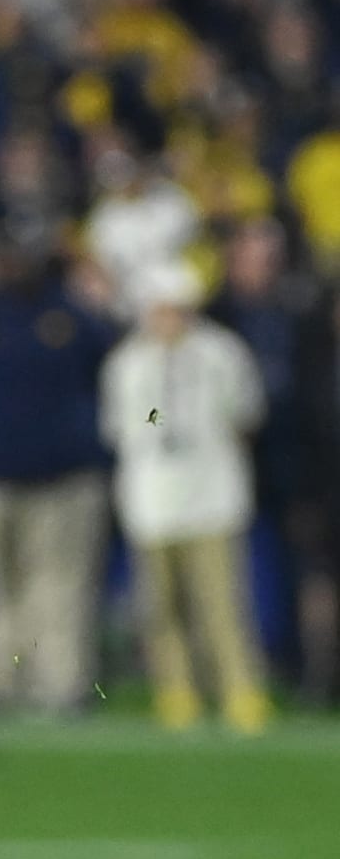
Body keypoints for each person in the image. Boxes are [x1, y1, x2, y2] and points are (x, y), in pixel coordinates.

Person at [0, 243, 114, 711]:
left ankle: (60, 685)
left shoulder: (73, 315)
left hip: (64, 479)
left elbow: (108, 373)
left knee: (58, 587)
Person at [99, 258, 271, 732]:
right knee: (161, 607)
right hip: (151, 500)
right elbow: (118, 429)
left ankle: (240, 689)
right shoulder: (128, 364)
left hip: (213, 496)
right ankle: (176, 691)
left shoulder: (222, 354)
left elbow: (246, 414)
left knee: (221, 602)